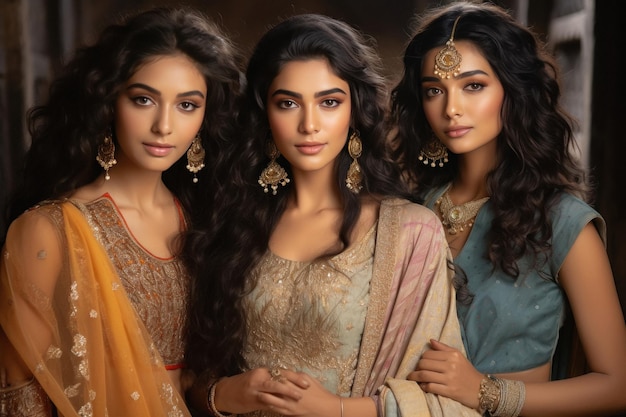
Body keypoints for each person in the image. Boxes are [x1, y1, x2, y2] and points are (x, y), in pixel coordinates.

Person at [184, 12, 480, 417]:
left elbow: (446, 402)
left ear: (354, 111)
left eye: (329, 102)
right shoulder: (230, 222)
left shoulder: (409, 232)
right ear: (264, 116)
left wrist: (337, 409)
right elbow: (184, 380)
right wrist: (221, 396)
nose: (309, 124)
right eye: (288, 103)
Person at [0, 6, 243, 416]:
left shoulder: (206, 220)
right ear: (109, 101)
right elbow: (20, 394)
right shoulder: (52, 229)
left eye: (187, 105)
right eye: (144, 99)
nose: (164, 125)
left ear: (206, 117)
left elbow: (196, 379)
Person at [389, 2, 626, 416]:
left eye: (473, 85)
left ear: (513, 91)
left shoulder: (562, 224)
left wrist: (485, 391)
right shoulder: (410, 212)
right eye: (434, 90)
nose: (451, 108)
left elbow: (617, 385)